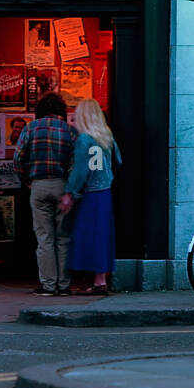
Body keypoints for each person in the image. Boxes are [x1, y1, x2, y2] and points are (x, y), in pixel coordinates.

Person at [13, 92, 75, 296]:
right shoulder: (70, 130)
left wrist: (27, 181)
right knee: (63, 238)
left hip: (38, 185)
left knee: (44, 238)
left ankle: (48, 285)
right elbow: (75, 163)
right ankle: (64, 285)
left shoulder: (31, 128)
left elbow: (18, 158)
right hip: (62, 186)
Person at [59, 99, 120, 295]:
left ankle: (98, 282)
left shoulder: (84, 139)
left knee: (87, 237)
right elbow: (118, 160)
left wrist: (70, 192)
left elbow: (80, 171)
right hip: (105, 193)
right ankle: (100, 280)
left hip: (90, 194)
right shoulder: (106, 136)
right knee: (101, 236)